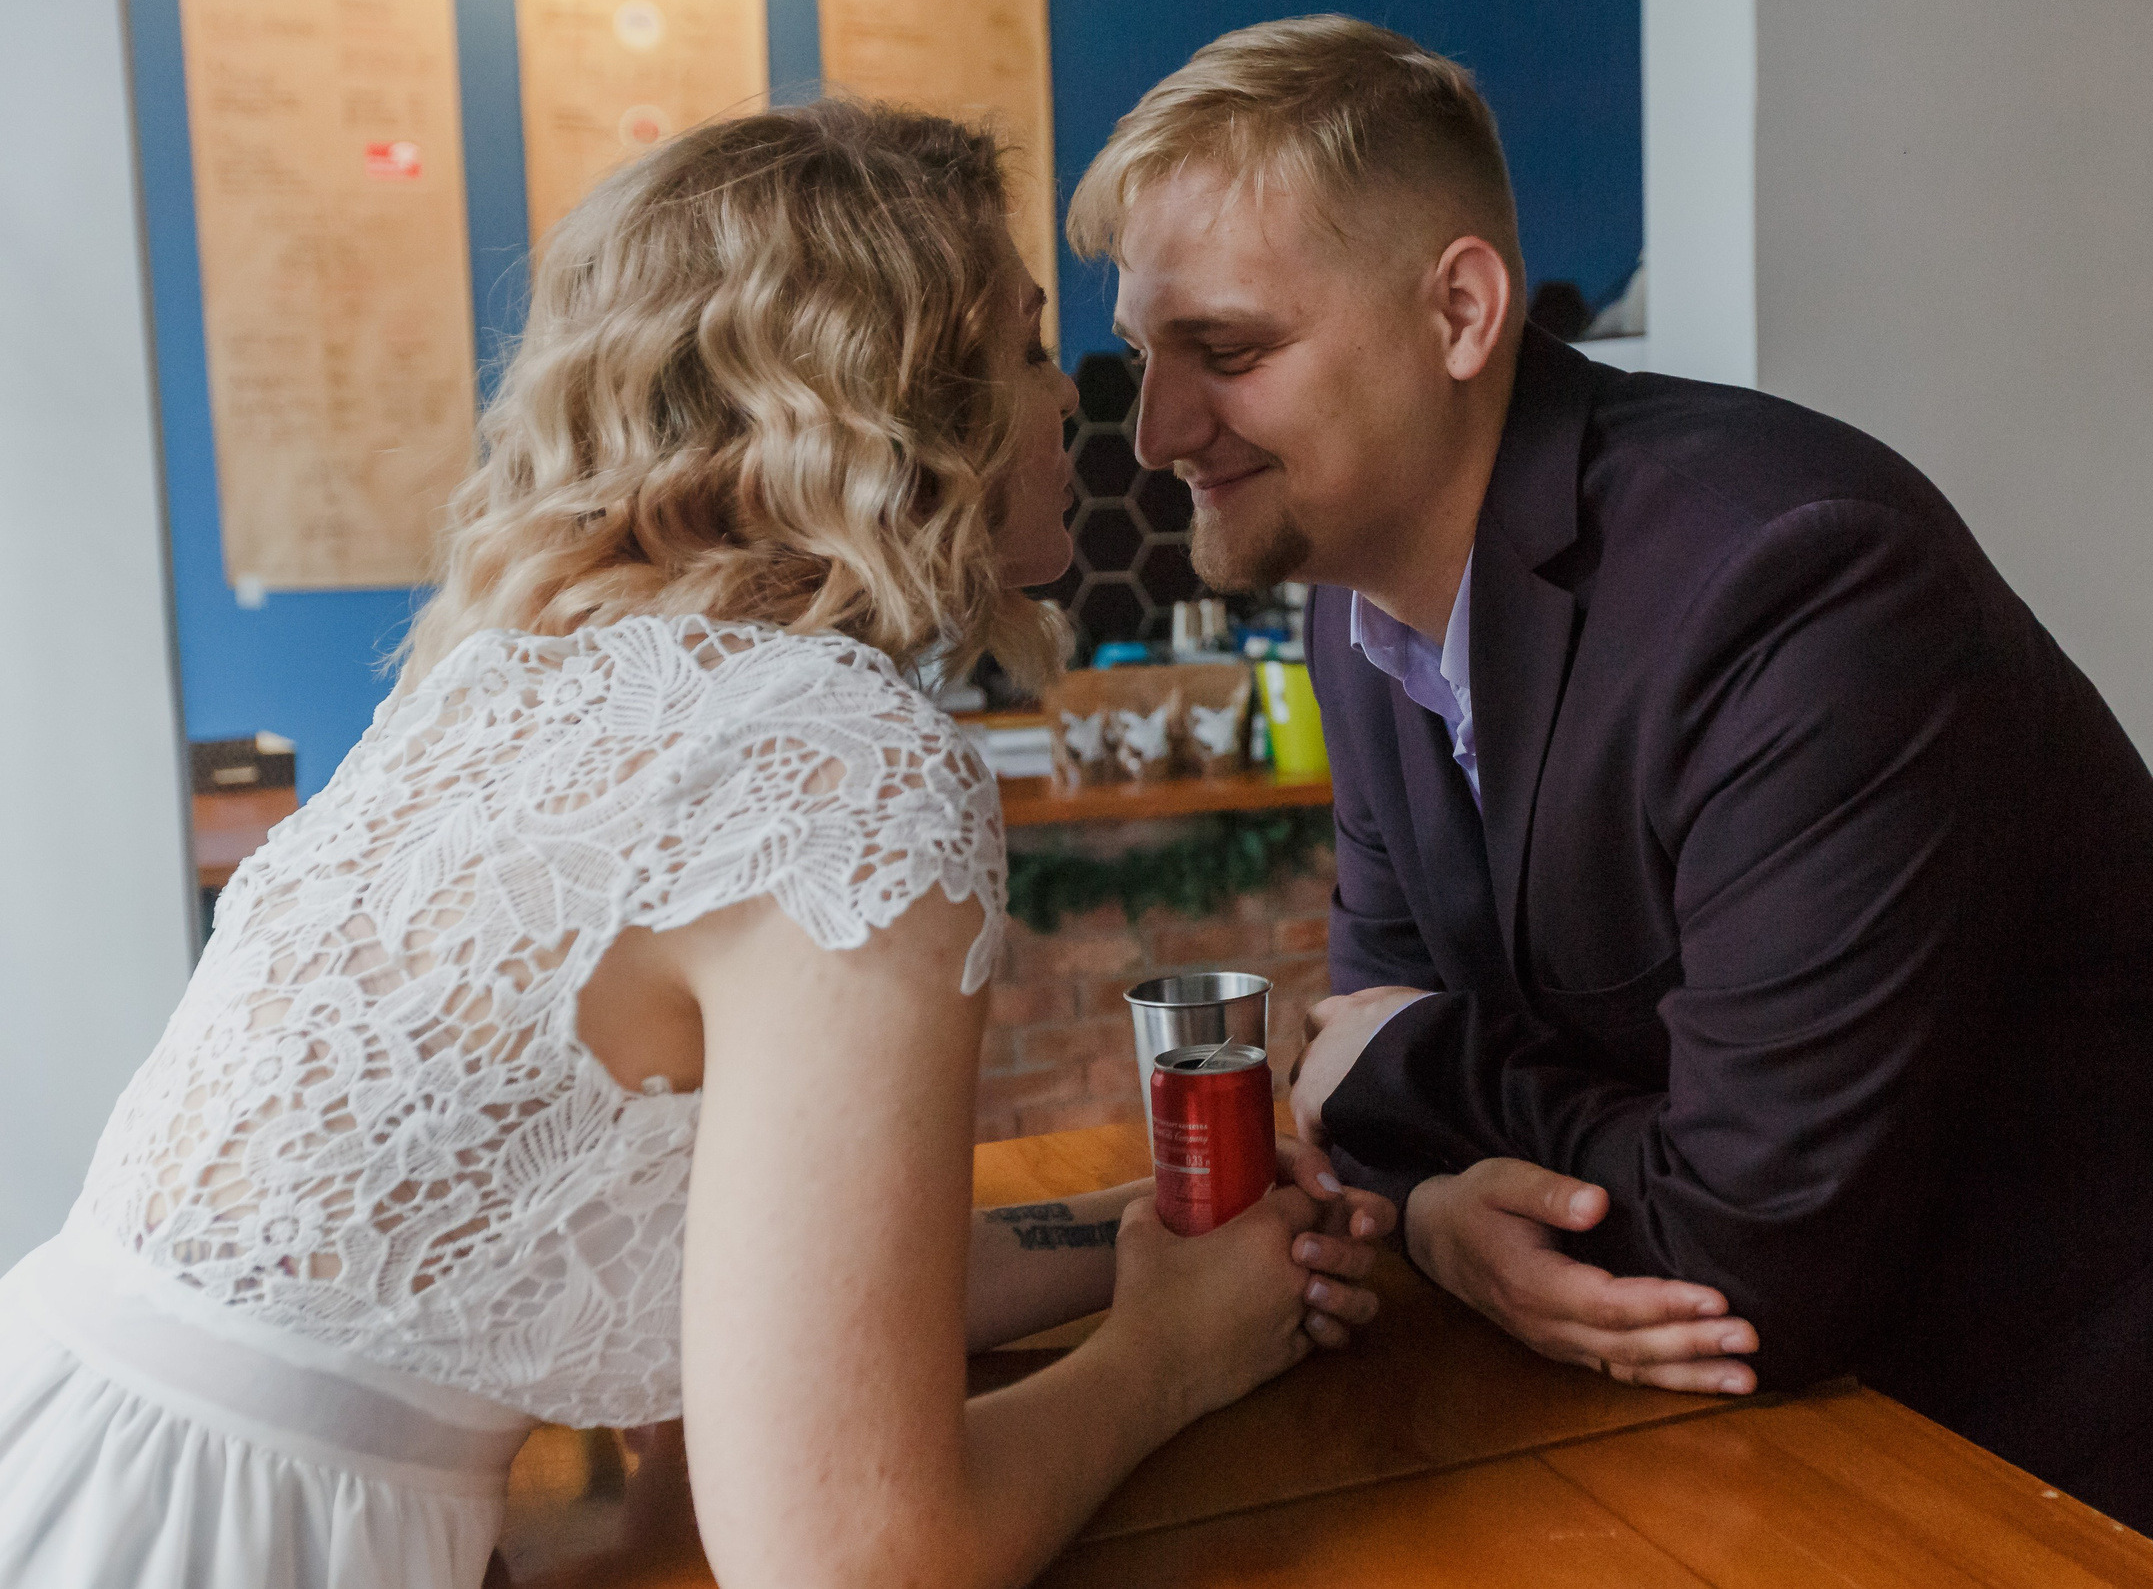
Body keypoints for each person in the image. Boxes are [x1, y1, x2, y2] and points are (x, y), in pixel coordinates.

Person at [1066, 14, 2153, 1589]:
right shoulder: (1353, 610)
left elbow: (1731, 1242)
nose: (1157, 431)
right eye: (1140, 359)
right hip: (1863, 1406)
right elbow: (1364, 1077)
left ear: (1459, 309)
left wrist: (1410, 1082)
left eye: (1227, 353)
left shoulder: (1794, 580)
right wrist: (1432, 1206)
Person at [0, 97, 1395, 1589]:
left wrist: (1142, 1232)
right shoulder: (836, 760)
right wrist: (1162, 1356)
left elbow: (783, 1292)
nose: (1077, 404)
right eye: (1033, 345)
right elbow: (856, 1553)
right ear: (897, 403)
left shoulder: (513, 677)